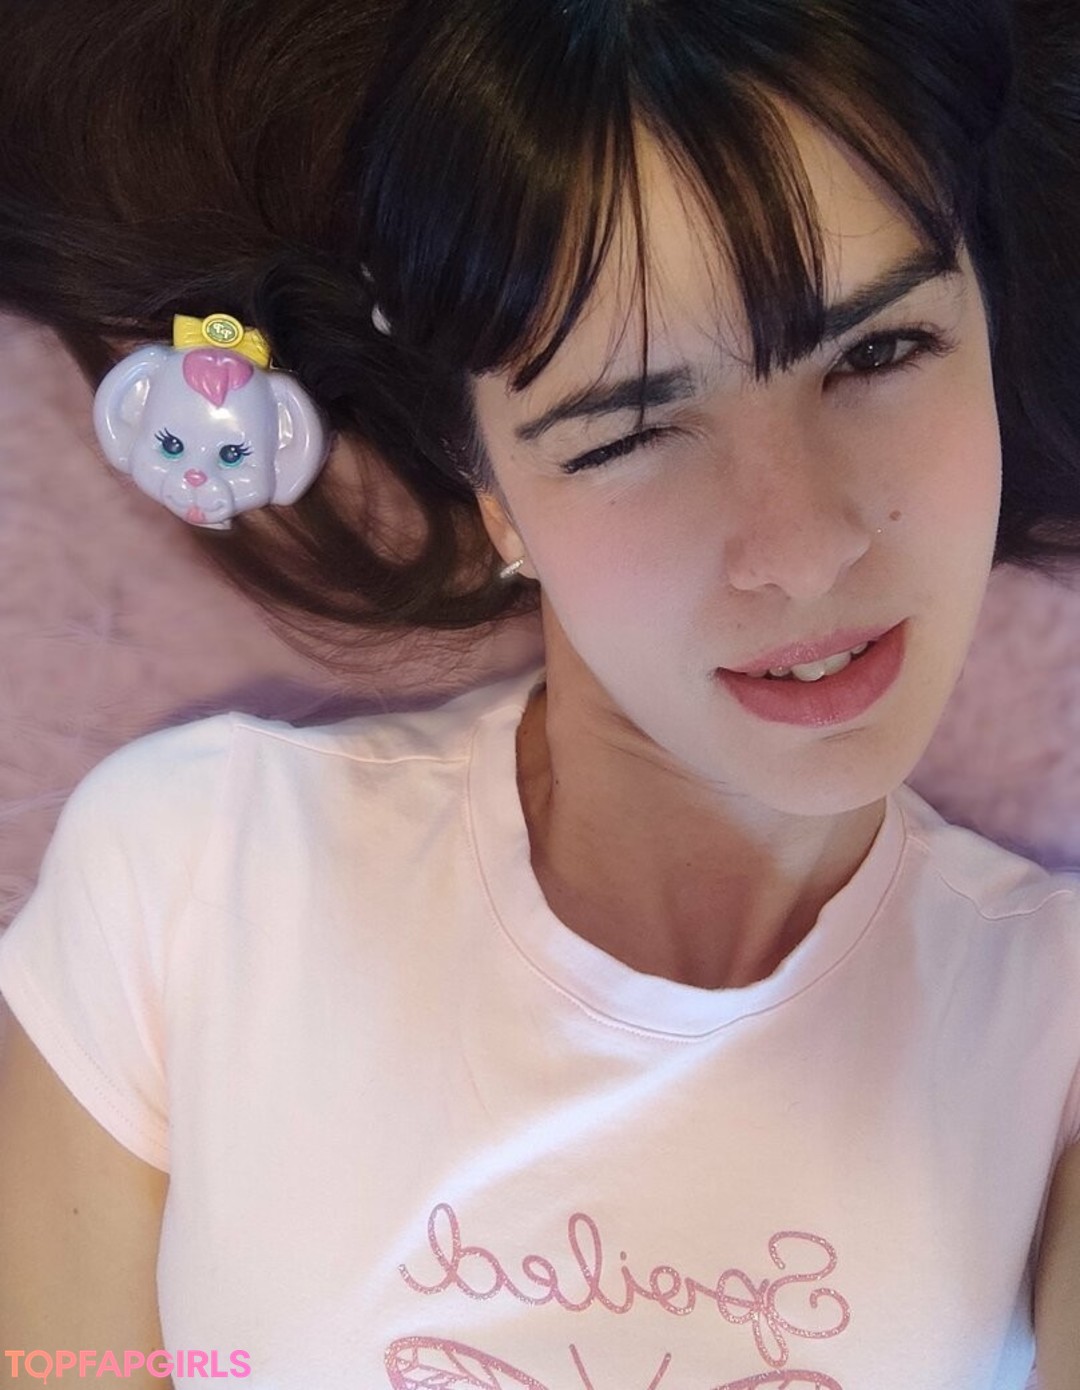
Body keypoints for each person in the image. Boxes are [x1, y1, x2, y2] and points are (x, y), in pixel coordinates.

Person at [1, 0, 1079, 1385]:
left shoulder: (1053, 1023)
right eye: (628, 431)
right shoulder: (196, 881)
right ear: (493, 494)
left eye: (879, 353)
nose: (803, 548)